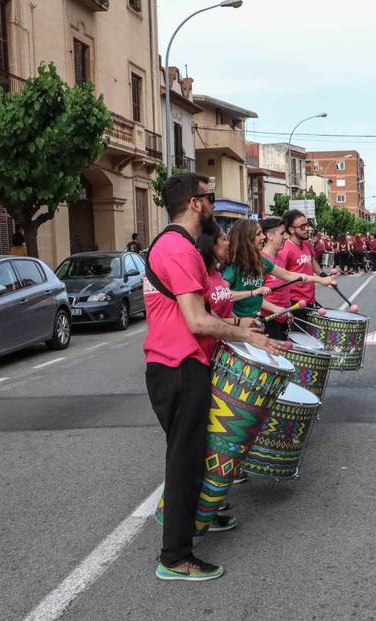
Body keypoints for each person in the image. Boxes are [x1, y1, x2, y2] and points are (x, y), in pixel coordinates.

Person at [142, 172, 282, 582]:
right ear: (194, 203)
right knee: (185, 462)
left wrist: (243, 322)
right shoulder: (177, 248)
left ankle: (196, 521)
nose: (214, 205)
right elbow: (197, 321)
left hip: (181, 365)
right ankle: (175, 557)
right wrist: (245, 334)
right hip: (178, 367)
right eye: (210, 197)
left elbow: (208, 311)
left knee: (195, 454)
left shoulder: (176, 245)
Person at [278, 210, 336, 322]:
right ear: (291, 229)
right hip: (295, 302)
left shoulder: (306, 243)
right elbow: (282, 275)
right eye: (302, 226)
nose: (307, 229)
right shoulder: (285, 250)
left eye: (307, 225)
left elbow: (312, 260)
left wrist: (323, 276)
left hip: (309, 299)